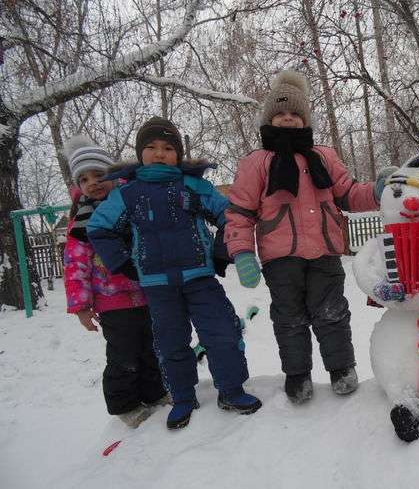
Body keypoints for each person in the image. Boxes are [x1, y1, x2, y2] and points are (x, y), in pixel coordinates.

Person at [224, 69, 386, 404]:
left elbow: (349, 193)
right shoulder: (257, 163)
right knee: (289, 318)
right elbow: (240, 213)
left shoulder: (323, 156)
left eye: (295, 114)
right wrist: (242, 252)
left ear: (305, 119)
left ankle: (341, 368)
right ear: (270, 118)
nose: (287, 119)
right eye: (280, 113)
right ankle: (297, 376)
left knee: (332, 313)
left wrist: (379, 191)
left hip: (325, 253)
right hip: (280, 258)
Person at [87, 117, 261, 429]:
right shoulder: (127, 193)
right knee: (170, 343)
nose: (159, 153)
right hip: (157, 287)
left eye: (168, 148)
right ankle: (181, 396)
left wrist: (221, 253)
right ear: (141, 153)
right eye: (151, 147)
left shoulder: (192, 185)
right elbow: (99, 229)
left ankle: (232, 390)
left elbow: (230, 215)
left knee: (222, 332)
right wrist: (125, 264)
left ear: (177, 154)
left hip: (200, 278)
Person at [62, 135, 168, 429]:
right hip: (111, 301)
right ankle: (125, 404)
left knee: (151, 347)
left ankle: (155, 392)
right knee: (124, 353)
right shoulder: (80, 223)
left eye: (99, 174)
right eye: (84, 179)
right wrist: (81, 306)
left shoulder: (132, 204)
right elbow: (75, 265)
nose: (92, 182)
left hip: (147, 292)